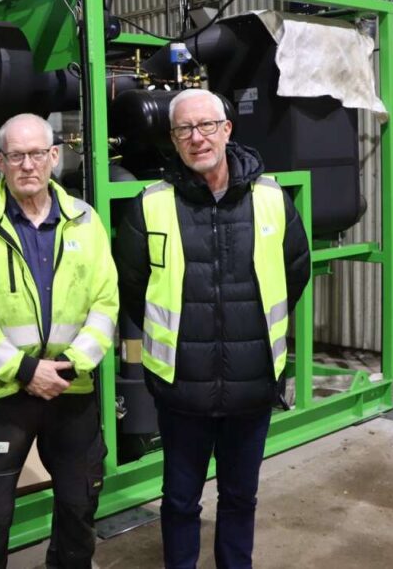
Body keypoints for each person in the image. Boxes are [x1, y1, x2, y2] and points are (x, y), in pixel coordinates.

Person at [115, 89, 310, 569]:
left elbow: (295, 272)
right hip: (181, 389)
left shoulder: (271, 199)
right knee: (180, 502)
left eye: (206, 126)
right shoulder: (151, 205)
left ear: (227, 129)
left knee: (241, 498)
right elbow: (132, 286)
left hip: (251, 384)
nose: (196, 138)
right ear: (173, 139)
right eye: (183, 129)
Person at [0, 113, 119, 568]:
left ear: (54, 158)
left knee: (79, 505)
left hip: (71, 390)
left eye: (37, 154)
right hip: (4, 395)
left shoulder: (85, 220)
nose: (28, 165)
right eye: (16, 156)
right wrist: (24, 370)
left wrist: (73, 365)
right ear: (0, 162)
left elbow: (105, 302)